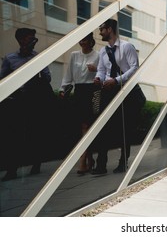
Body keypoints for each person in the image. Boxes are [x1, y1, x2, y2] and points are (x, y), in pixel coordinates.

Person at [92, 18, 146, 175]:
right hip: (108, 91)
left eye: (102, 29)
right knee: (103, 128)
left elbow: (135, 69)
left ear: (109, 29)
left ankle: (123, 162)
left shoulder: (127, 47)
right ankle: (101, 164)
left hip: (125, 91)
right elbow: (102, 70)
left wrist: (116, 80)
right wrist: (98, 78)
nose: (100, 32)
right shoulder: (103, 51)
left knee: (124, 129)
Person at [0, 28, 54, 181]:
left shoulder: (37, 57)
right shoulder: (10, 58)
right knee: (14, 135)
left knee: (34, 132)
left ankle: (36, 164)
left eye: (34, 39)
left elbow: (47, 78)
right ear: (21, 40)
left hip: (33, 101)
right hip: (17, 101)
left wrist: (38, 68)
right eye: (31, 38)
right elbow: (3, 79)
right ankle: (12, 169)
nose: (33, 41)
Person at [59, 32, 99, 174]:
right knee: (82, 126)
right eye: (81, 39)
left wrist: (97, 71)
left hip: (92, 91)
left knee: (87, 126)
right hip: (79, 91)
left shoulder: (97, 55)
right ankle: (89, 159)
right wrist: (63, 89)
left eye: (85, 40)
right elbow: (68, 74)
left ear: (90, 41)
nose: (82, 42)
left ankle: (83, 160)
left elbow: (102, 73)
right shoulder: (74, 55)